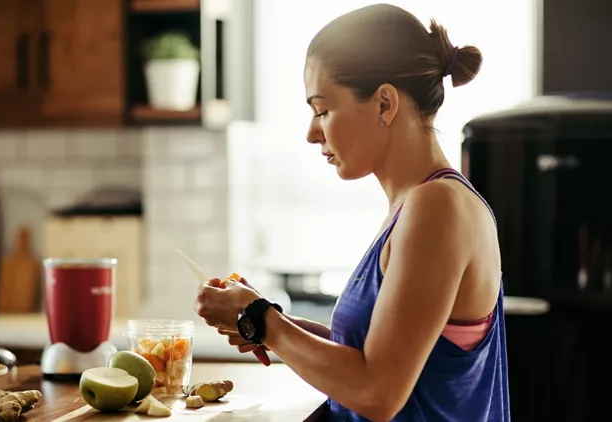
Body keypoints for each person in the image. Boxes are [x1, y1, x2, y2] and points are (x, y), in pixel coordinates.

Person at [194, 3, 510, 421]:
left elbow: (377, 392)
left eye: (322, 110)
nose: (312, 133)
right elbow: (374, 356)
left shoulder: (438, 208)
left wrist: (263, 320)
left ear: (384, 104)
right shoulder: (417, 205)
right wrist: (265, 320)